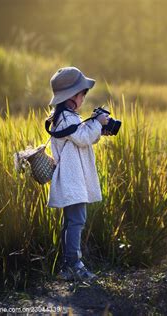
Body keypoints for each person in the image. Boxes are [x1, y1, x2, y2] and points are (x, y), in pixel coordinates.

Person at [45, 66, 110, 281]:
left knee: (71, 221)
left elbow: (82, 136)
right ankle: (74, 264)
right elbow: (83, 138)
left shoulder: (65, 117)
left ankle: (67, 266)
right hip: (72, 180)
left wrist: (95, 126)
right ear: (73, 96)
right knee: (76, 221)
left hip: (72, 179)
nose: (84, 97)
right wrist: (97, 123)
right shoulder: (67, 119)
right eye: (83, 93)